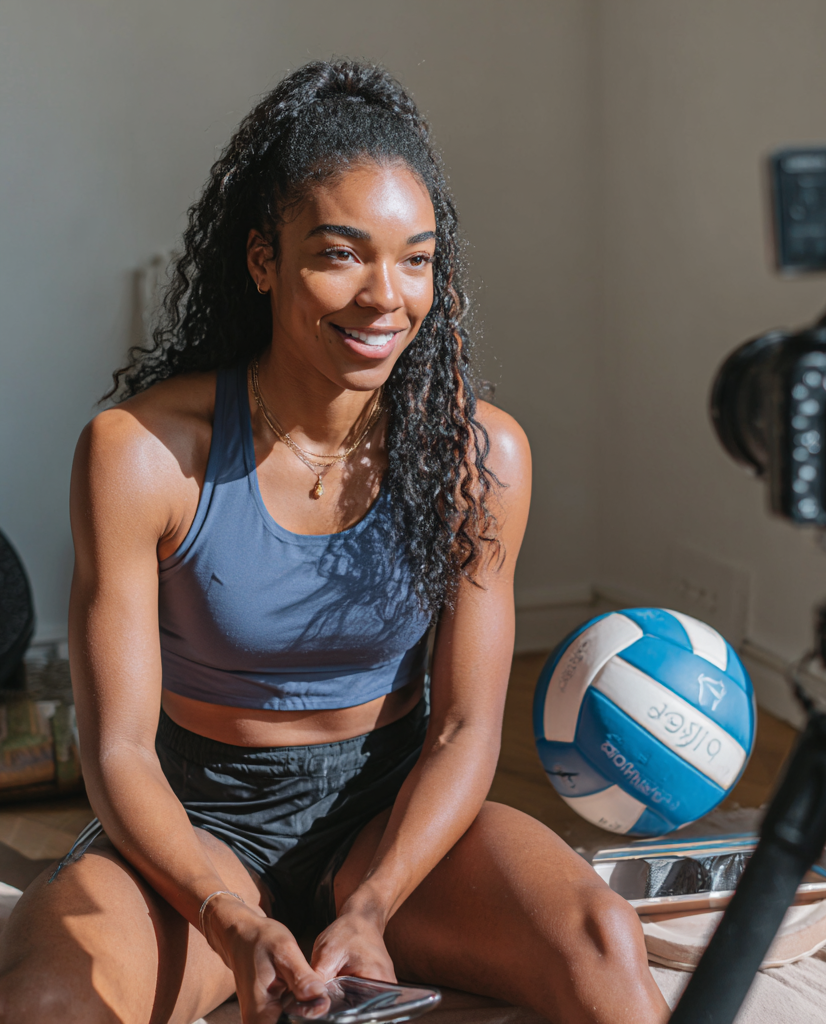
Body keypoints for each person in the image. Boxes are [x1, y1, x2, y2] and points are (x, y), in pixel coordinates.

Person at [0, 61, 668, 1024]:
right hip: (198, 825)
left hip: (388, 822)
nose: (384, 298)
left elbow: (466, 727)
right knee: (45, 1000)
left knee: (605, 943)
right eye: (341, 254)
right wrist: (227, 915)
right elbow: (117, 750)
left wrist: (373, 902)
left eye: (416, 259)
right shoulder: (141, 454)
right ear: (264, 258)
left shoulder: (483, 456)